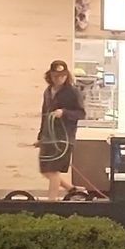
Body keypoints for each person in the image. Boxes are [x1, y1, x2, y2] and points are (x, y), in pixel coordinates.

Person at [37, 60, 86, 201]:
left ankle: (51, 203)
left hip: (64, 138)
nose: (59, 79)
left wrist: (64, 112)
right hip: (49, 136)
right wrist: (41, 137)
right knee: (45, 170)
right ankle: (72, 189)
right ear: (50, 76)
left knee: (53, 171)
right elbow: (44, 115)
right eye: (56, 76)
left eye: (62, 76)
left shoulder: (72, 92)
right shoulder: (48, 91)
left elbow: (81, 113)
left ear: (67, 75)